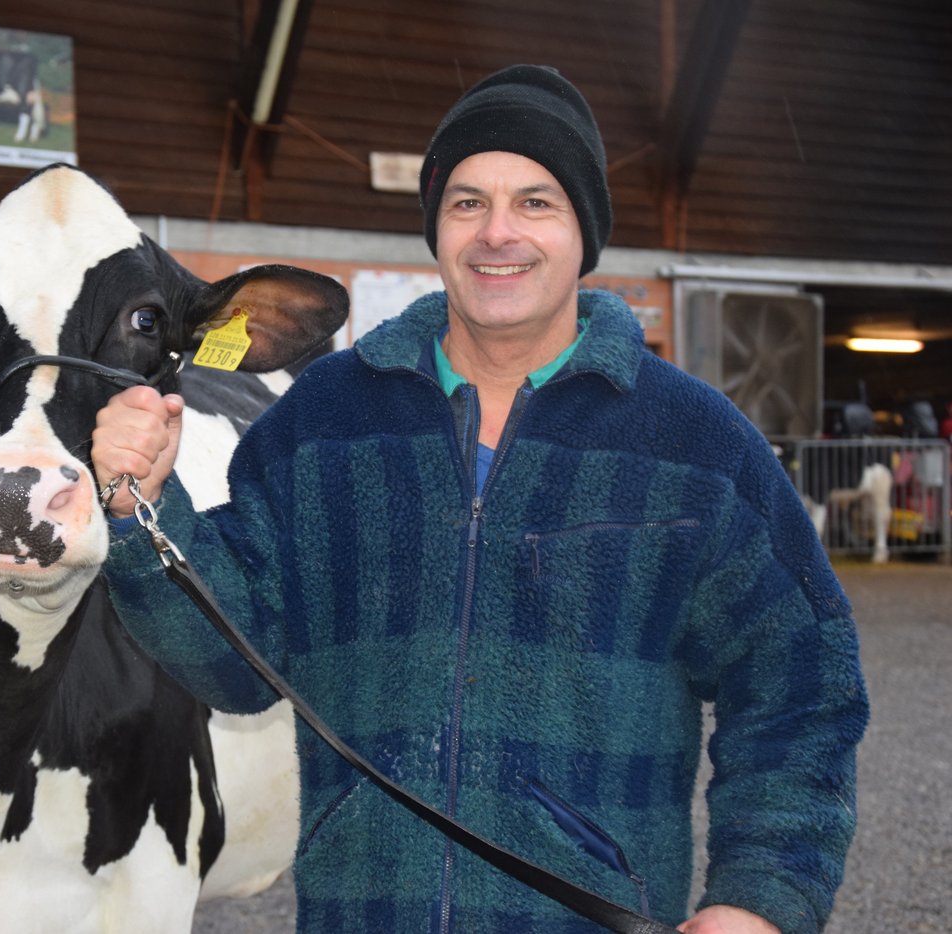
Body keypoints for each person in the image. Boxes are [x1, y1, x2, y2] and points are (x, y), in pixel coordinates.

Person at [92, 64, 868, 934]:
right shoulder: (326, 421)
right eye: (467, 203)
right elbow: (234, 666)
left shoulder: (693, 442)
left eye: (537, 202)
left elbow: (803, 686)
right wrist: (141, 510)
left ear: (585, 231)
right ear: (435, 229)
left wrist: (759, 900)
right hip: (364, 915)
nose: (498, 233)